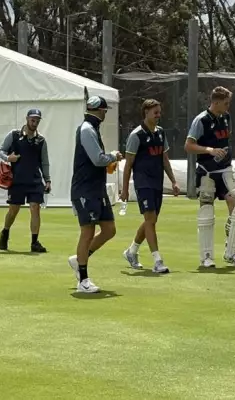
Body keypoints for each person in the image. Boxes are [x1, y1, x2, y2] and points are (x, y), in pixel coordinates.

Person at [184, 86, 235, 269]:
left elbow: (226, 140)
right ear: (216, 102)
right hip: (207, 171)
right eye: (226, 103)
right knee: (206, 212)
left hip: (226, 169)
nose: (228, 106)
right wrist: (209, 150)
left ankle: (232, 253)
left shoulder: (226, 118)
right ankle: (206, 256)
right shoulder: (201, 120)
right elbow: (188, 146)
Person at [67, 89, 124, 293]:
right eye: (104, 111)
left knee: (109, 229)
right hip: (85, 189)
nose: (105, 114)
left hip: (96, 188)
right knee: (88, 231)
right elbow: (97, 158)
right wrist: (113, 156)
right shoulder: (87, 129)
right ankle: (83, 279)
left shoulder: (91, 128)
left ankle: (79, 259)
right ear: (99, 111)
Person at [121, 99, 180, 274]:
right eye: (155, 112)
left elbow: (165, 159)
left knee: (150, 221)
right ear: (146, 112)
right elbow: (128, 165)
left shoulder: (161, 133)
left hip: (157, 183)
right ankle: (157, 260)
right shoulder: (136, 135)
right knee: (150, 220)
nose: (158, 115)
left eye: (159, 112)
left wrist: (174, 181)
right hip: (143, 183)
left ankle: (131, 252)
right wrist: (124, 189)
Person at [0, 108, 51, 253]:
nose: (35, 122)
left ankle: (34, 241)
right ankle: (5, 232)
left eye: (37, 120)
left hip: (34, 180)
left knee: (35, 208)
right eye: (33, 119)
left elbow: (44, 162)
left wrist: (48, 180)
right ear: (27, 119)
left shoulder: (41, 140)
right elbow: (0, 150)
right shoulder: (14, 135)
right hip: (17, 180)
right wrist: (8, 158)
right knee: (14, 209)